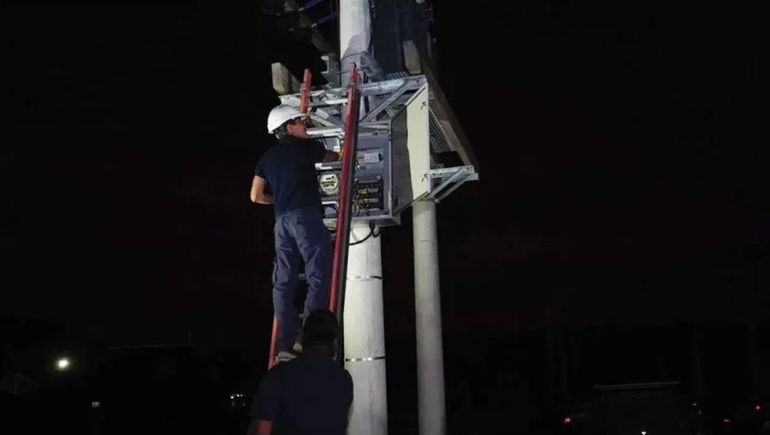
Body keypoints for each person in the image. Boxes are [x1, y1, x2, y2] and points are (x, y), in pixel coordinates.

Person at [251, 104, 340, 362]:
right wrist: (344, 150)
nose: (306, 127)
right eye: (302, 122)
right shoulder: (305, 147)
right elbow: (333, 158)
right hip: (307, 218)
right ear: (289, 127)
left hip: (281, 223)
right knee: (318, 273)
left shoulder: (266, 158)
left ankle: (284, 344)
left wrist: (278, 201)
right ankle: (306, 337)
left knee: (283, 281)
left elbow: (255, 196)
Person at [247, 310, 353, 435]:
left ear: (303, 339)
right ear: (335, 342)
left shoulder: (279, 375)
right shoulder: (344, 380)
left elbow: (262, 429)